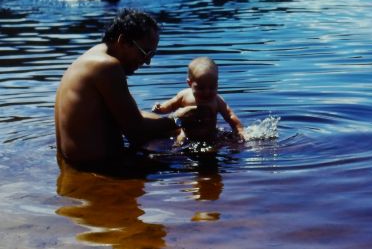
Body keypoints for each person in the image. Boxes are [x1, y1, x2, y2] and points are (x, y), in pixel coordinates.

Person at [55, 9, 179, 172]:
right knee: (191, 163)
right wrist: (179, 120)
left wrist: (174, 120)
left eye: (152, 54)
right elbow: (136, 131)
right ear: (123, 41)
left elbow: (131, 115)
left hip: (78, 166)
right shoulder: (107, 66)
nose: (147, 62)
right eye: (145, 53)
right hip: (99, 170)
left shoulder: (91, 58)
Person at [152, 57, 245, 144]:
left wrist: (239, 130)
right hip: (186, 134)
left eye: (212, 87)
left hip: (210, 135)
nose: (206, 92)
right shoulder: (184, 95)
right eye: (201, 88)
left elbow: (230, 115)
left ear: (217, 83)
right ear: (190, 83)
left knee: (218, 144)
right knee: (179, 142)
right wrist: (161, 108)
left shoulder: (217, 100)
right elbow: (171, 105)